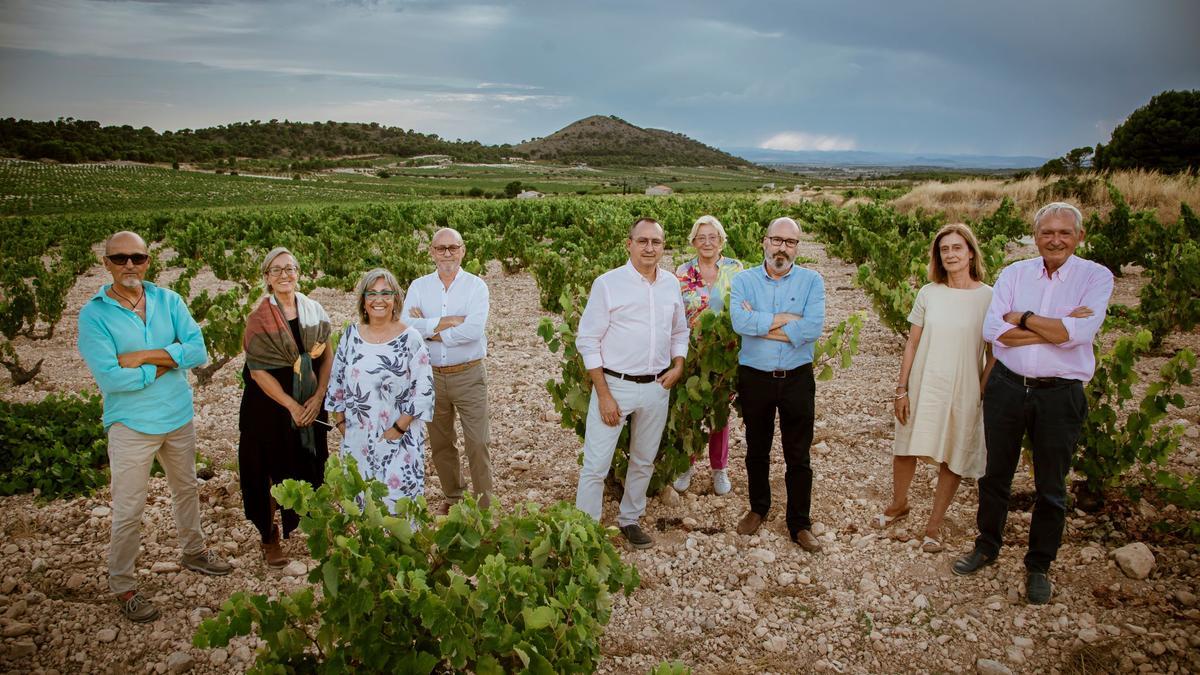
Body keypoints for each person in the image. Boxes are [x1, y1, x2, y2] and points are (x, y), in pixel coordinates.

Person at [953, 202, 1113, 605]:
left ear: (1078, 236)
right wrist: (1056, 326)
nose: (1055, 239)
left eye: (1064, 232)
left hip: (1060, 394)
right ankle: (986, 545)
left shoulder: (1096, 276)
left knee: (1051, 486)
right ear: (1035, 234)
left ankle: (1039, 564)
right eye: (1047, 232)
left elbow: (1078, 333)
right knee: (994, 476)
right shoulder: (1014, 272)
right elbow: (994, 331)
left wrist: (1021, 317)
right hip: (1008, 386)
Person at [77, 231, 231, 624]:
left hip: (177, 415)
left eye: (138, 257)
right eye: (120, 258)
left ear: (148, 261)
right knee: (129, 508)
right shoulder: (94, 314)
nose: (129, 265)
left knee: (186, 490)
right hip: (130, 424)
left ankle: (194, 552)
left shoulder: (169, 300)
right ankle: (123, 585)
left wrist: (143, 358)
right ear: (106, 263)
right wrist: (167, 362)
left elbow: (198, 351)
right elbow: (111, 378)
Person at [876, 224, 995, 554]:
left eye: (957, 248)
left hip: (964, 388)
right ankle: (899, 504)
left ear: (971, 252)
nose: (951, 254)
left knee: (953, 455)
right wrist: (902, 389)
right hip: (924, 382)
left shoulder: (989, 297)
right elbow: (912, 343)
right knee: (906, 446)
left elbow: (993, 353)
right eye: (945, 250)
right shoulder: (929, 292)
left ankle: (934, 525)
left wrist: (981, 390)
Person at [574, 217, 689, 549]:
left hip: (657, 387)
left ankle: (630, 519)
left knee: (643, 459)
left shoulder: (670, 284)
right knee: (596, 464)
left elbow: (680, 330)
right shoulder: (608, 284)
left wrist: (678, 363)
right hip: (616, 386)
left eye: (656, 242)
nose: (649, 247)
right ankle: (586, 530)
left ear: (663, 247)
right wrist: (604, 394)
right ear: (630, 244)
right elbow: (588, 340)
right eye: (643, 241)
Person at [729, 217, 825, 551]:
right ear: (765, 242)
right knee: (757, 448)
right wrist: (787, 321)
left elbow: (812, 329)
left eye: (790, 242)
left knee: (798, 453)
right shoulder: (743, 281)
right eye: (777, 240)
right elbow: (740, 322)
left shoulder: (812, 281)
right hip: (755, 377)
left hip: (797, 378)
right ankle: (758, 508)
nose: (782, 247)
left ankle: (799, 523)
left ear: (797, 247)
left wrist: (762, 326)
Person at [239, 247, 333, 568]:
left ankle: (314, 525)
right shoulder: (258, 319)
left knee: (309, 461)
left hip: (309, 401)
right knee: (263, 469)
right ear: (266, 277)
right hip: (268, 406)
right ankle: (269, 536)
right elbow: (258, 371)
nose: (284, 275)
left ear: (298, 272)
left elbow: (327, 355)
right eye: (276, 270)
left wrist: (319, 395)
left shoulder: (314, 310)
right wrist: (292, 405)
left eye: (289, 268)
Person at [326, 268, 435, 512]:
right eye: (372, 293)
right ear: (363, 300)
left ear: (396, 299)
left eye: (386, 293)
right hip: (357, 439)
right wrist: (341, 423)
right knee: (359, 504)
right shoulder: (350, 336)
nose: (379, 299)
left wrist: (398, 429)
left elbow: (423, 390)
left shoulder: (411, 338)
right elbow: (337, 382)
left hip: (399, 438)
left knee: (396, 507)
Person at [402, 228, 493, 513]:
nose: (447, 254)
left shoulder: (476, 287)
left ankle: (484, 505)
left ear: (463, 250)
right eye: (441, 249)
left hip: (469, 374)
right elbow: (405, 325)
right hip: (430, 375)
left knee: (478, 442)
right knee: (442, 443)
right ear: (431, 252)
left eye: (452, 248)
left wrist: (428, 327)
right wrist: (450, 321)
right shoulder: (418, 286)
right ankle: (453, 498)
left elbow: (473, 330)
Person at [672, 214, 744, 496]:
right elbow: (676, 311)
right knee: (688, 410)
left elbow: (743, 306)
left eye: (712, 237)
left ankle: (719, 468)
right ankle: (686, 464)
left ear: (721, 240)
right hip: (690, 352)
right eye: (701, 237)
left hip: (724, 354)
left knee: (719, 413)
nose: (707, 242)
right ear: (693, 242)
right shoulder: (683, 270)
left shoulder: (735, 268)